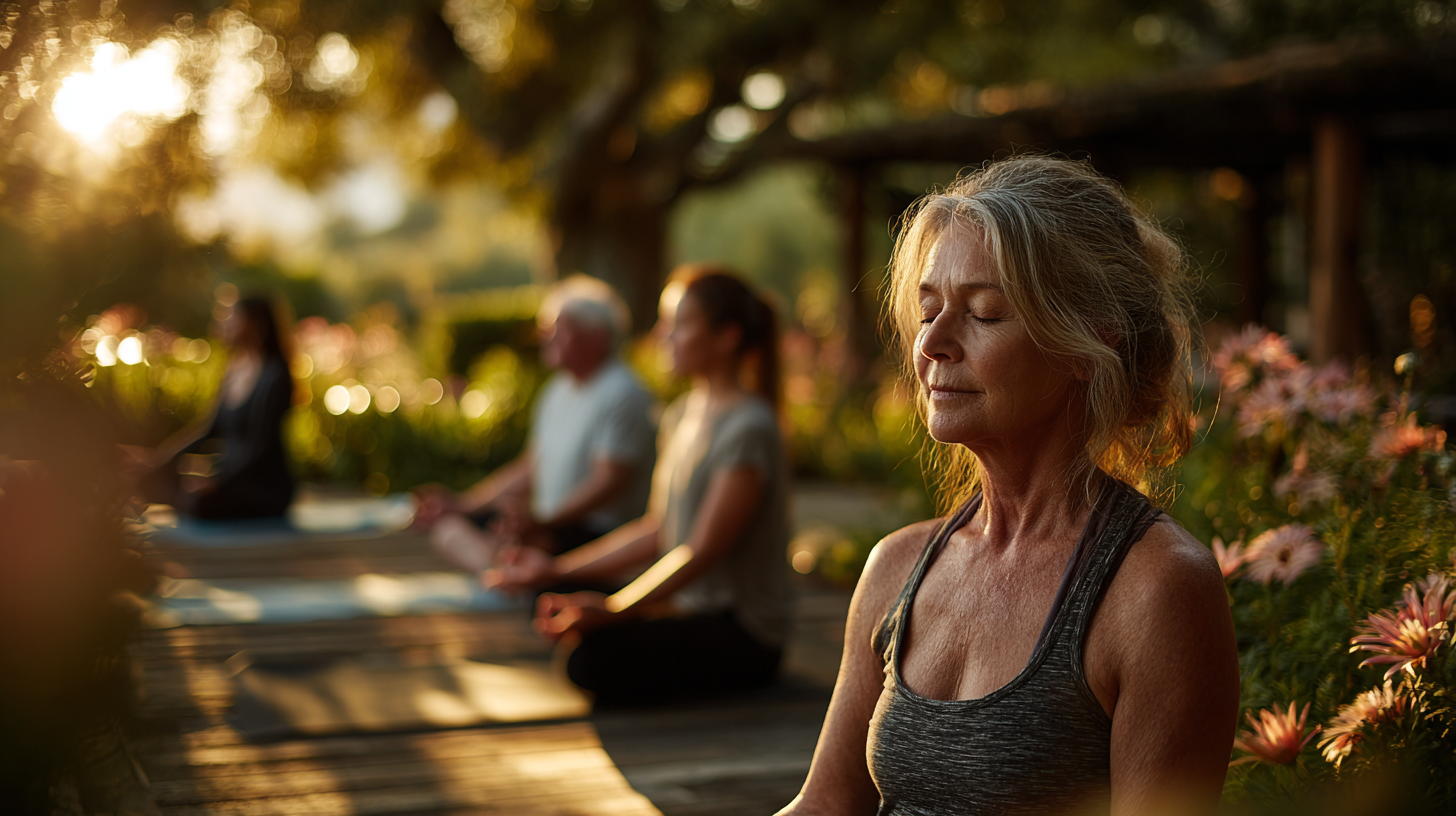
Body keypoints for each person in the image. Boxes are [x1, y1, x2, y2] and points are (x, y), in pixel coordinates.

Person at [777, 157, 1239, 816]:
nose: (933, 342)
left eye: (985, 313)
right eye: (928, 308)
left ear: (1088, 343)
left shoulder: (1156, 591)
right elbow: (824, 807)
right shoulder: (897, 567)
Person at [487, 266, 795, 707]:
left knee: (589, 659)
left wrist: (614, 610)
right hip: (688, 609)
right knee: (558, 604)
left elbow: (700, 551)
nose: (662, 335)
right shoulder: (681, 414)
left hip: (741, 631)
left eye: (678, 324)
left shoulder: (749, 427)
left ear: (726, 337)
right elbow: (657, 528)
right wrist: (556, 570)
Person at [413, 276, 656, 573]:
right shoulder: (558, 390)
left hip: (595, 533)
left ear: (597, 336)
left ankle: (515, 571)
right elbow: (531, 467)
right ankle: (513, 570)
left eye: (558, 329)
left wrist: (543, 521)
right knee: (450, 527)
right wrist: (466, 504)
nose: (546, 337)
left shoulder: (623, 392)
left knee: (483, 539)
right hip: (552, 525)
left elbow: (610, 483)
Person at [126, 296, 297, 520]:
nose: (225, 323)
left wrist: (217, 482)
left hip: (260, 485)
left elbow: (261, 447)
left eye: (233, 317)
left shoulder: (275, 376)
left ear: (255, 324)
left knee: (199, 501)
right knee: (151, 481)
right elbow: (208, 429)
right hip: (227, 476)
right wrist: (158, 462)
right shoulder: (234, 369)